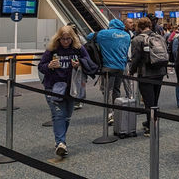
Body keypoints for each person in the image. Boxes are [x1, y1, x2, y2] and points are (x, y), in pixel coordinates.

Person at [38, 26, 94, 157]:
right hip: (53, 86)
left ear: (72, 38)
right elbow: (41, 66)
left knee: (67, 116)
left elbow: (89, 62)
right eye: (63, 39)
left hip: (71, 87)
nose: (65, 42)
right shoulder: (52, 49)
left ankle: (61, 140)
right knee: (58, 115)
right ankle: (61, 143)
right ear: (58, 38)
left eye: (68, 39)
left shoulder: (78, 48)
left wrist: (79, 63)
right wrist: (49, 66)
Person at [129, 17, 167, 137]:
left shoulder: (137, 39)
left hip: (146, 73)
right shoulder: (159, 37)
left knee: (148, 101)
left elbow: (135, 59)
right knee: (154, 100)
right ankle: (152, 121)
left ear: (139, 27)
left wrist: (131, 71)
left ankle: (151, 127)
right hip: (160, 71)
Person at [94, 19, 131, 124]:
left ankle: (109, 114)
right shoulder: (126, 35)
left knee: (107, 91)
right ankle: (117, 111)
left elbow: (89, 37)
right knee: (116, 89)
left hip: (108, 67)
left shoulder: (103, 34)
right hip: (121, 67)